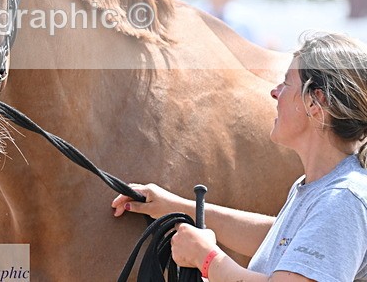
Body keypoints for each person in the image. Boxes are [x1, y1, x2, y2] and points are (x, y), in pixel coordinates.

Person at [111, 32, 367, 281]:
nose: (275, 92)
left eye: (286, 83)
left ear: (315, 102)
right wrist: (175, 206)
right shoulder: (323, 189)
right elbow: (281, 239)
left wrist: (206, 258)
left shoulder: (342, 200)